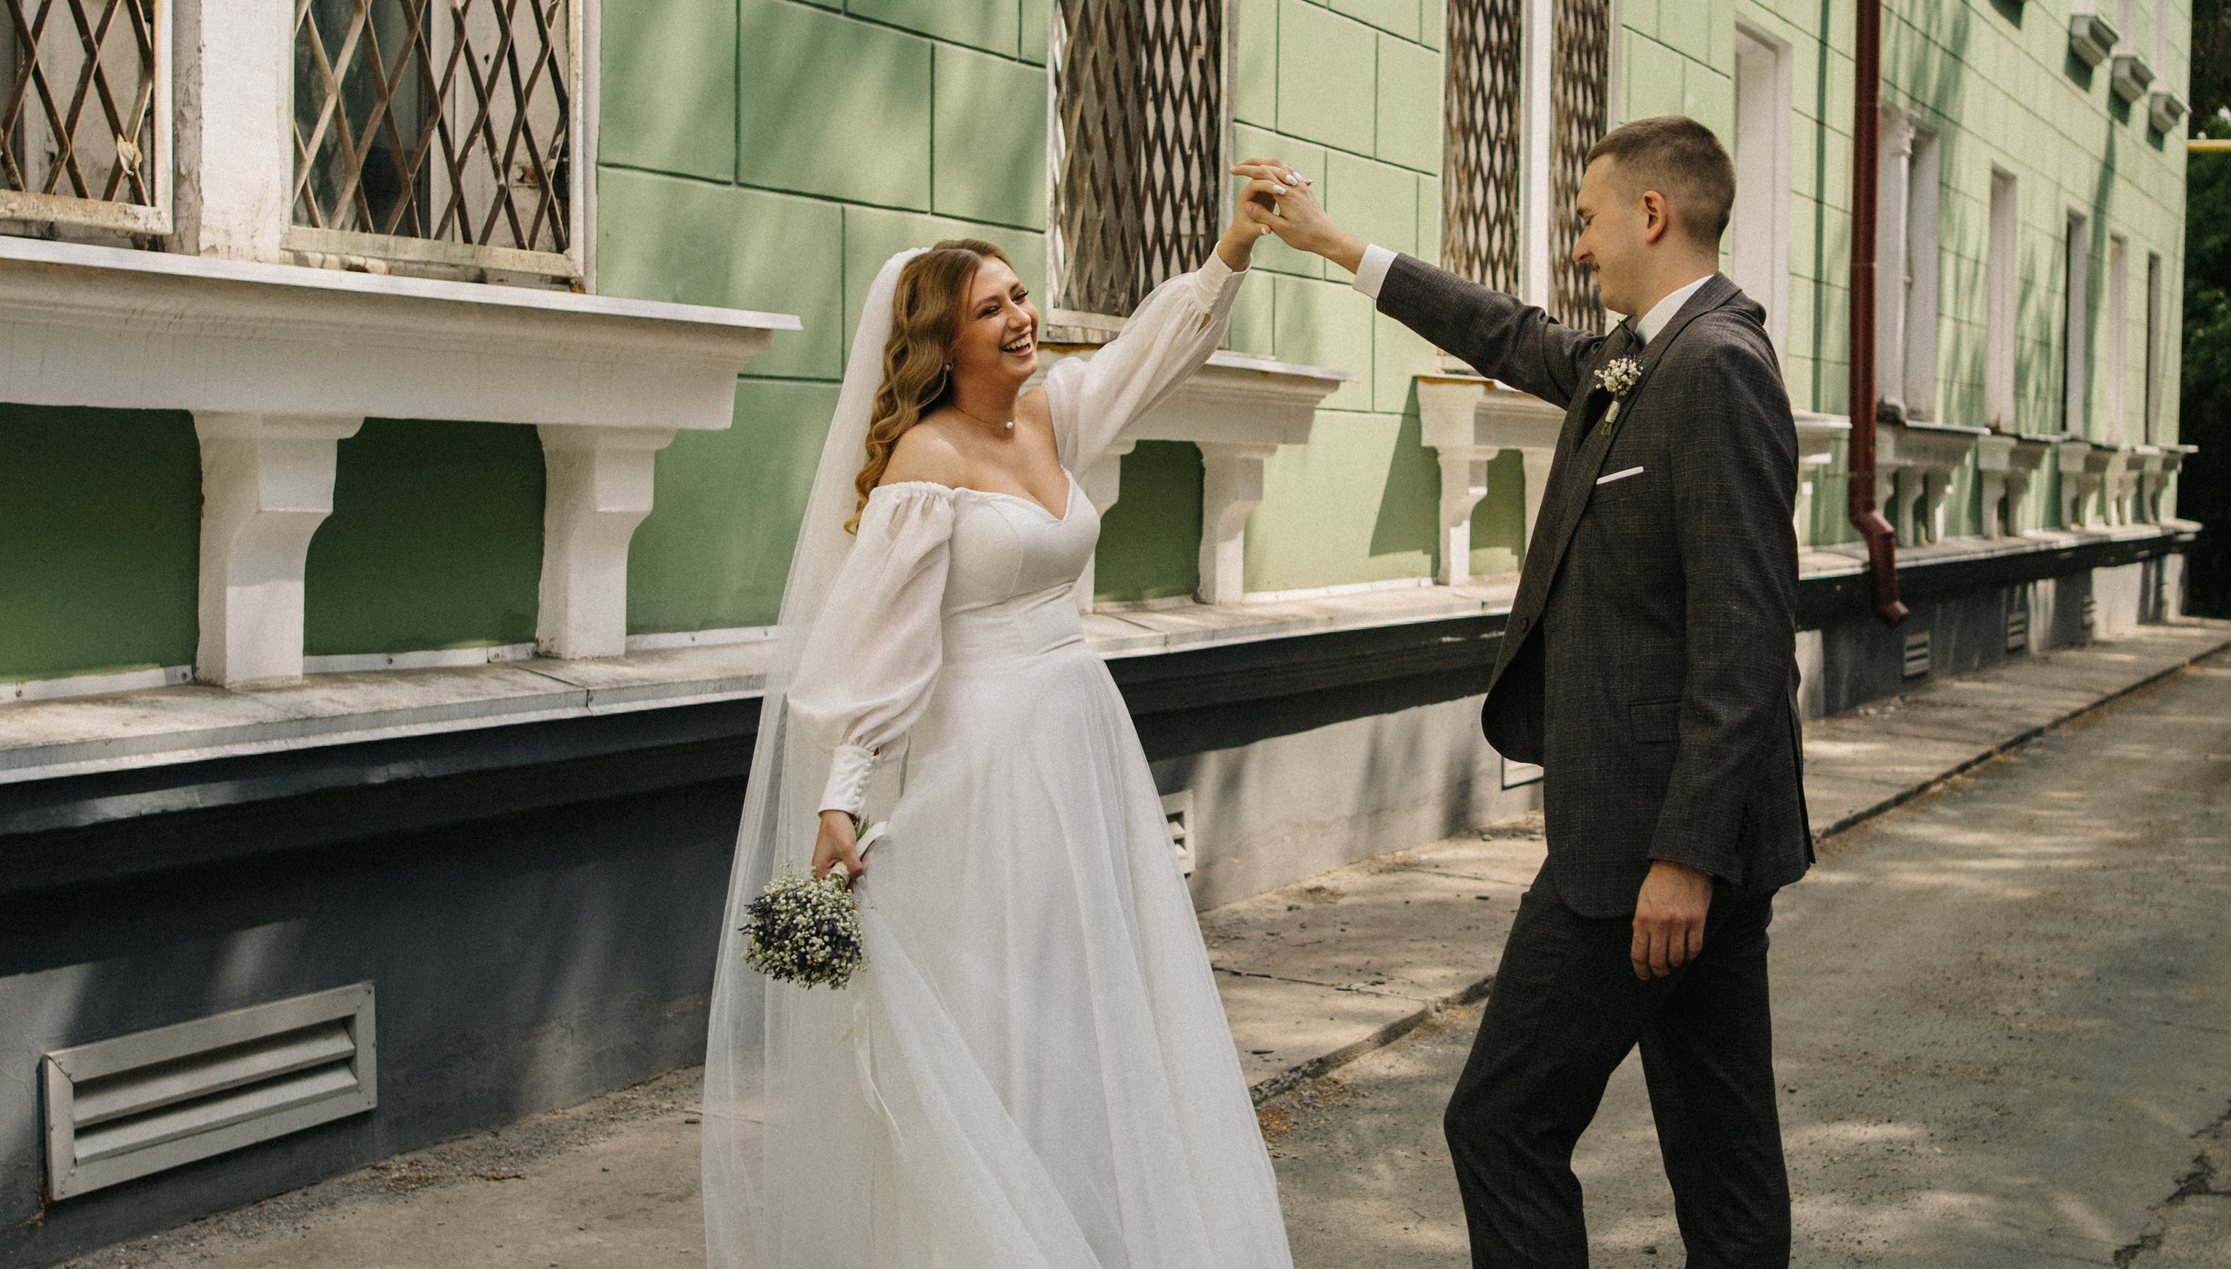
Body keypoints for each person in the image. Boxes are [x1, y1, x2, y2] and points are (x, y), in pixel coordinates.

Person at [700, 162, 1304, 1267]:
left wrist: (1232, 251)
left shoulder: (1051, 415)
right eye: (993, 308)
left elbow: (1147, 357)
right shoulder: (924, 466)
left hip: (1079, 738)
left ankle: (1081, 1213)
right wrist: (840, 798)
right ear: (944, 343)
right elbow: (882, 650)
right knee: (1001, 996)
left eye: (1020, 296)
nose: (1022, 318)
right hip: (983, 758)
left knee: (1084, 986)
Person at [1243, 116, 1811, 1269]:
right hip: (1657, 839)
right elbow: (1503, 333)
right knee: (1720, 1151)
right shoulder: (1640, 356)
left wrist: (1683, 859)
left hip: (1647, 851)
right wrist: (1330, 243)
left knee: (1501, 1123)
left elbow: (1743, 640)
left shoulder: (1715, 369)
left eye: (1592, 218)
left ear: (1651, 214)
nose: (1582, 246)